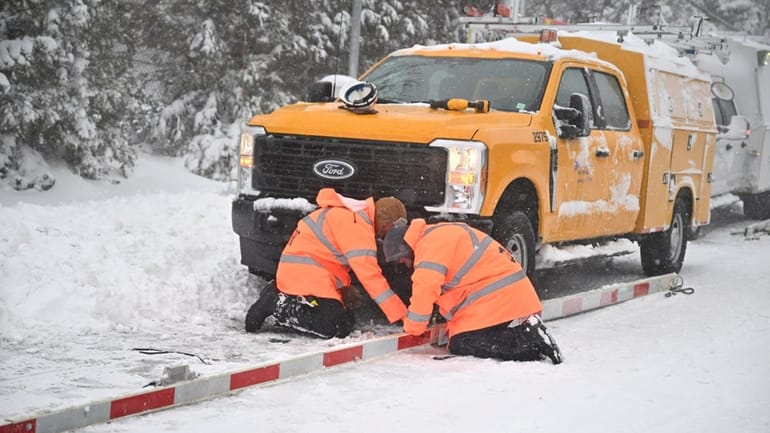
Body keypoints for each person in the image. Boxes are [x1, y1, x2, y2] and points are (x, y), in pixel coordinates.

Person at [382, 217, 563, 364]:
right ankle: (531, 338)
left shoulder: (429, 246)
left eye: (402, 260)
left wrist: (413, 327)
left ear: (405, 248)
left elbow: (425, 289)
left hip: (498, 296)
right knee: (467, 337)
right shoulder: (438, 233)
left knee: (463, 343)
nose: (405, 265)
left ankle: (529, 340)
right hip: (505, 294)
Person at [245, 188, 408, 339]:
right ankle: (277, 303)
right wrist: (401, 315)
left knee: (346, 322)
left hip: (302, 274)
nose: (388, 234)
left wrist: (343, 290)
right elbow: (370, 276)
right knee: (333, 327)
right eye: (392, 226)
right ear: (385, 219)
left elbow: (328, 257)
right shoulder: (357, 225)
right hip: (305, 277)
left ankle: (280, 294)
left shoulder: (351, 216)